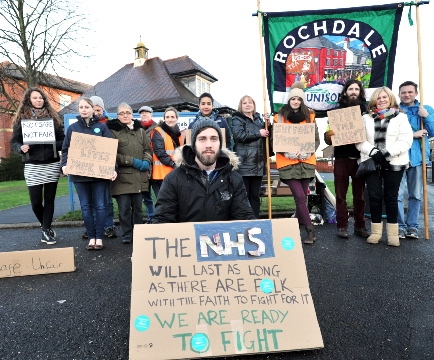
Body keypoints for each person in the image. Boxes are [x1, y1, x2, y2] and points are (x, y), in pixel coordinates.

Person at [152, 119, 256, 223]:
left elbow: (245, 219)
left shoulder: (234, 179)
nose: (208, 145)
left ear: (220, 144)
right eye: (202, 139)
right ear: (193, 144)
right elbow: (162, 220)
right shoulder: (173, 179)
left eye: (214, 139)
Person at [355, 87, 413, 246]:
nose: (381, 100)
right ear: (374, 100)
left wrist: (386, 153)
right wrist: (374, 152)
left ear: (390, 99)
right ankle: (375, 232)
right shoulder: (365, 118)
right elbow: (358, 140)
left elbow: (406, 140)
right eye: (378, 97)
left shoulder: (401, 117)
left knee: (391, 198)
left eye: (384, 97)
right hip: (371, 163)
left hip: (394, 162)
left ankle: (393, 235)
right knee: (374, 198)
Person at [11, 87, 65, 245]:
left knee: (49, 199)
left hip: (51, 163)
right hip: (32, 165)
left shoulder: (54, 118)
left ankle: (45, 232)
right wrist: (20, 148)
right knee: (35, 202)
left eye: (41, 98)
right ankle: (46, 227)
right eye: (35, 98)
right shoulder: (22, 119)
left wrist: (52, 143)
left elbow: (63, 140)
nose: (39, 100)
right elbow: (14, 141)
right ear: (29, 100)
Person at [61, 98, 117, 250]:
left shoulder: (102, 127)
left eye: (87, 107)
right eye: (81, 107)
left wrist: (113, 169)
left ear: (93, 109)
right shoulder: (72, 128)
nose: (84, 109)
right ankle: (91, 238)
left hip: (99, 175)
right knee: (85, 207)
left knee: (100, 205)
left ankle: (99, 238)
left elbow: (110, 150)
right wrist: (64, 165)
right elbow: (65, 149)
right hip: (79, 175)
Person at [272, 83, 320, 244]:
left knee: (302, 199)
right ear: (289, 99)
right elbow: (275, 140)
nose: (295, 101)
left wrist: (307, 151)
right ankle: (310, 231)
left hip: (306, 162)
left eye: (298, 99)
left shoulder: (310, 117)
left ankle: (295, 226)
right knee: (299, 197)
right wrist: (287, 152)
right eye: (293, 98)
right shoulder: (279, 117)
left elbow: (315, 140)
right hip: (288, 163)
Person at [324, 80, 370, 239]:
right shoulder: (336, 112)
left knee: (360, 196)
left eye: (357, 89)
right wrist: (329, 136)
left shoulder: (367, 112)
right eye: (351, 88)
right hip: (342, 158)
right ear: (345, 92)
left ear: (360, 92)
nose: (354, 91)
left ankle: (360, 226)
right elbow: (327, 138)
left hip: (360, 158)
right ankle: (342, 226)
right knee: (340, 195)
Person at [107, 103, 152, 244]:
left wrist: (146, 160)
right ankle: (127, 234)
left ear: (132, 114)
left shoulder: (140, 130)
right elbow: (112, 153)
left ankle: (137, 233)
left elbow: (148, 149)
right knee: (124, 208)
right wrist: (132, 161)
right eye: (122, 113)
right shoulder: (112, 131)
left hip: (139, 176)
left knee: (138, 208)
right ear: (117, 116)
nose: (125, 115)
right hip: (122, 176)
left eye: (128, 112)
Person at [397, 81, 434, 239]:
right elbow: (390, 136)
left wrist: (427, 117)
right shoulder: (395, 111)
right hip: (398, 157)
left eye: (410, 92)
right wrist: (413, 134)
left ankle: (412, 226)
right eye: (403, 92)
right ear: (399, 94)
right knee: (397, 195)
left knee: (416, 194)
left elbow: (432, 132)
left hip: (418, 158)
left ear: (416, 93)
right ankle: (399, 226)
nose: (406, 95)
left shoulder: (426, 110)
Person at [78, 95, 118, 239]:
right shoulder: (80, 126)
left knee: (105, 201)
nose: (96, 111)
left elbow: (110, 147)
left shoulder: (108, 125)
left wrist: (113, 167)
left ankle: (108, 226)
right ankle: (92, 228)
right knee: (91, 203)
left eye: (98, 109)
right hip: (86, 169)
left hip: (103, 168)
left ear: (102, 109)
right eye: (93, 108)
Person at [231, 95, 269, 218]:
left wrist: (268, 124)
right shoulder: (237, 119)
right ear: (240, 106)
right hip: (244, 165)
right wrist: (259, 133)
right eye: (244, 103)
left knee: (255, 196)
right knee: (243, 196)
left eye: (250, 102)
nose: (247, 105)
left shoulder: (259, 120)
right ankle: (244, 220)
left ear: (254, 105)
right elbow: (239, 135)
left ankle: (255, 219)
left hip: (258, 164)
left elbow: (267, 135)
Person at [150, 107, 183, 198]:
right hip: (161, 174)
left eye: (172, 117)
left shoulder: (180, 134)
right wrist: (174, 164)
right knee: (164, 203)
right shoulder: (158, 131)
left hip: (174, 172)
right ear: (164, 118)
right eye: (167, 117)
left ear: (176, 118)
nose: (170, 119)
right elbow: (160, 152)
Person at [138, 105, 158, 222]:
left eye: (147, 112)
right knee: (146, 196)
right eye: (142, 113)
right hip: (142, 167)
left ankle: (160, 218)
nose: (144, 114)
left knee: (159, 195)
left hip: (155, 168)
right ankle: (151, 217)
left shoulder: (158, 128)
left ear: (151, 114)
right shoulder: (136, 129)